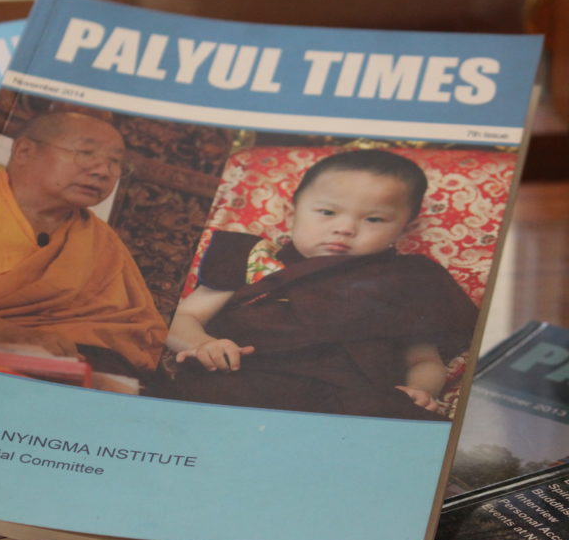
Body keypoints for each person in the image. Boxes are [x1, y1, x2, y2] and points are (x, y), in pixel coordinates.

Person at [156, 149, 479, 420]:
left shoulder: (407, 279)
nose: (345, 228)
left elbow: (423, 360)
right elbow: (183, 318)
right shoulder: (253, 256)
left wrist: (421, 391)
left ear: (404, 229)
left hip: (353, 399)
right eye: (327, 212)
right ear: (291, 213)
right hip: (247, 377)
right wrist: (202, 344)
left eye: (374, 219)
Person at [0, 111, 168, 375]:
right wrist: (11, 335)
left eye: (115, 162)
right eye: (85, 153)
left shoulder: (101, 240)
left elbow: (134, 332)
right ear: (24, 151)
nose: (103, 171)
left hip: (56, 366)